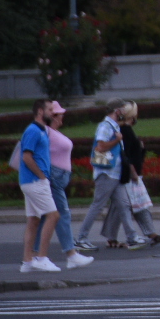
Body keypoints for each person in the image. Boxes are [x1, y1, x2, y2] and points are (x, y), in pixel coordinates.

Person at [75, 99, 142, 250]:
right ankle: (81, 238)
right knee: (97, 206)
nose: (125, 114)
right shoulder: (105, 127)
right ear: (117, 111)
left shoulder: (114, 126)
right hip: (106, 173)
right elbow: (100, 147)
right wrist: (117, 140)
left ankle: (132, 238)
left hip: (115, 173)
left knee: (124, 205)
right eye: (123, 111)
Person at [44, 101, 94, 270]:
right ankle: (71, 254)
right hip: (54, 178)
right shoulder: (45, 132)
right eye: (60, 116)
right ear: (52, 116)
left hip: (58, 177)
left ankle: (34, 256)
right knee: (62, 214)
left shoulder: (51, 132)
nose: (62, 119)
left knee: (45, 217)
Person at [16, 99, 61, 273]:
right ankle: (42, 257)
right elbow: (26, 157)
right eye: (50, 109)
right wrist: (42, 177)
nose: (53, 113)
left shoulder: (41, 130)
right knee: (53, 216)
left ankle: (27, 262)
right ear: (41, 112)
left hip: (31, 181)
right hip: (35, 181)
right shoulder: (33, 130)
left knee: (34, 220)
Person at [118, 105, 160, 244]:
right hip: (130, 174)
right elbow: (126, 155)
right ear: (132, 116)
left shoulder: (127, 130)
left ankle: (151, 234)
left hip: (131, 173)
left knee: (134, 205)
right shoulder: (126, 131)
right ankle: (147, 234)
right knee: (137, 205)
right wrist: (133, 172)